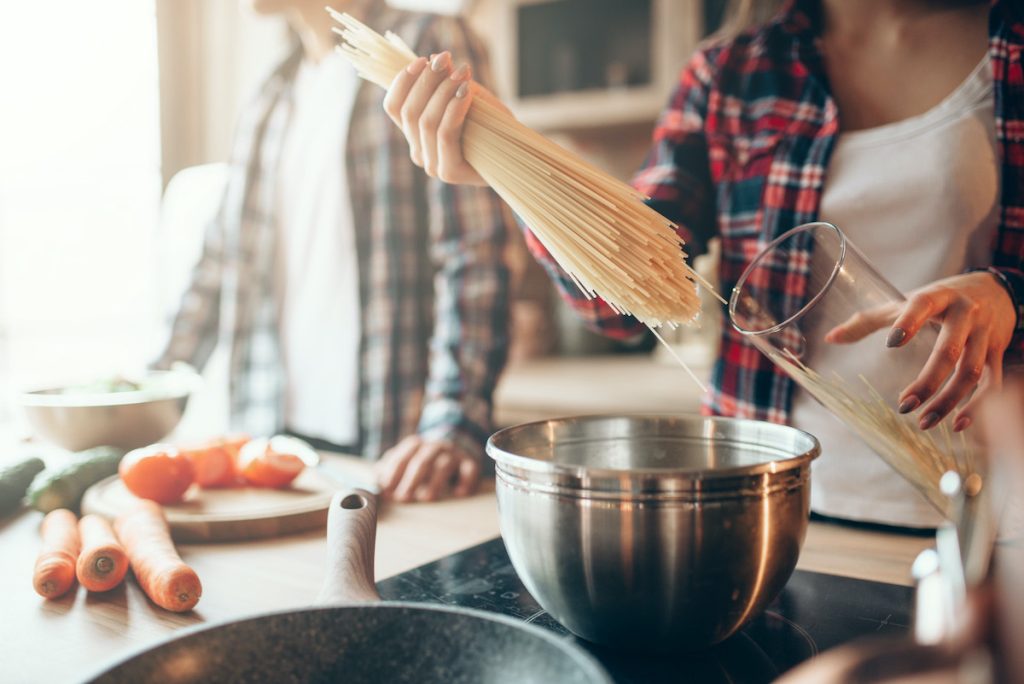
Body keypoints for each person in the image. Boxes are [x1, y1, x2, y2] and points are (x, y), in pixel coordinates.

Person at [379, 0, 1024, 526]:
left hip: (989, 513)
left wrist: (1007, 297)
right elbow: (622, 305)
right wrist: (512, 174)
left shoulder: (1010, 42)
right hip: (770, 509)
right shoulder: (730, 72)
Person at [154, 0, 516, 502]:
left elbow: (473, 250)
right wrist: (146, 400)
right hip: (271, 443)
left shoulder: (425, 46)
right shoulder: (270, 92)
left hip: (394, 450)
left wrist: (452, 419)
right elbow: (221, 261)